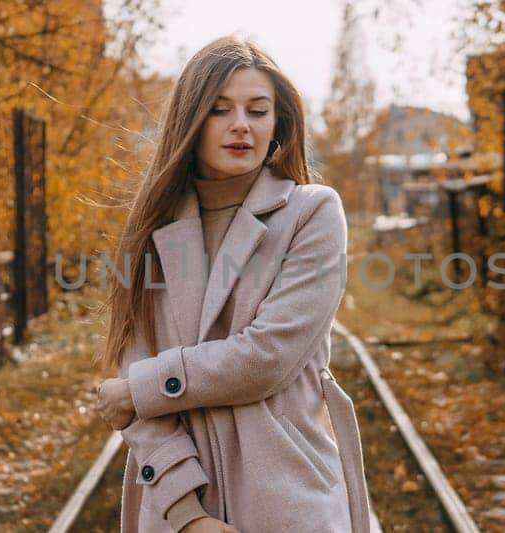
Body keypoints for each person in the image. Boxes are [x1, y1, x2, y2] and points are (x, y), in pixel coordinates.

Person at [93, 35, 371, 532]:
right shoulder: (150, 230)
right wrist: (188, 517)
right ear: (190, 122)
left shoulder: (313, 214)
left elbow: (266, 358)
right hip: (176, 511)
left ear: (278, 126)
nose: (241, 124)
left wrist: (142, 388)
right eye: (220, 110)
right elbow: (138, 391)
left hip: (288, 502)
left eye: (258, 110)